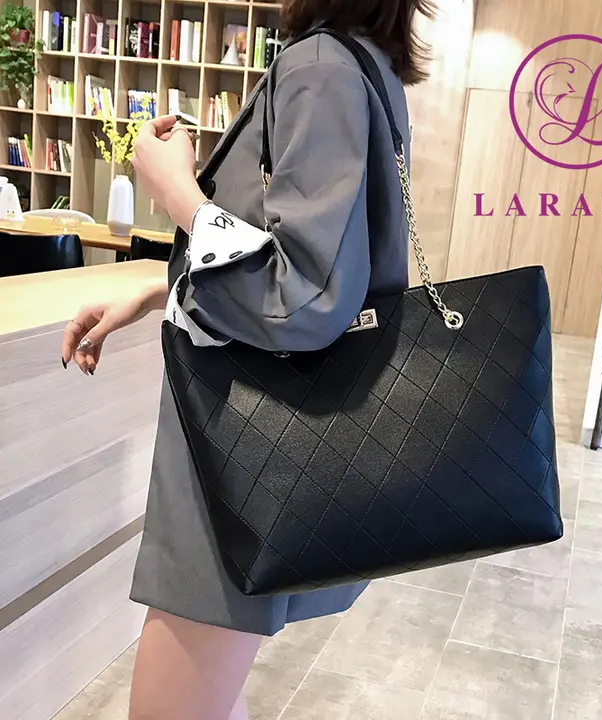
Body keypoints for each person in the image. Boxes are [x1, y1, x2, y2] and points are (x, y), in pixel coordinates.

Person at [60, 1, 433, 717]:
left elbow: (304, 295)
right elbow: (313, 270)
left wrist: (175, 188)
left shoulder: (321, 65)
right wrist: (161, 287)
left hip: (237, 455)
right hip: (254, 445)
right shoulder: (361, 62)